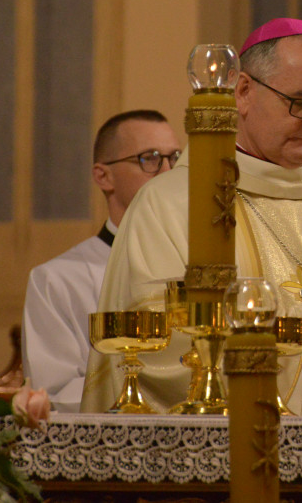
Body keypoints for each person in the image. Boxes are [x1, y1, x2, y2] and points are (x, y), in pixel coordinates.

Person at [81, 18, 302, 416]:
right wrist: (299, 333)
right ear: (243, 92)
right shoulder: (170, 205)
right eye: (300, 102)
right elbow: (150, 354)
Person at [21, 110, 182, 412]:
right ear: (103, 176)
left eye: (175, 158)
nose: (167, 172)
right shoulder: (56, 280)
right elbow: (55, 390)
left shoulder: (194, 270)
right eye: (150, 159)